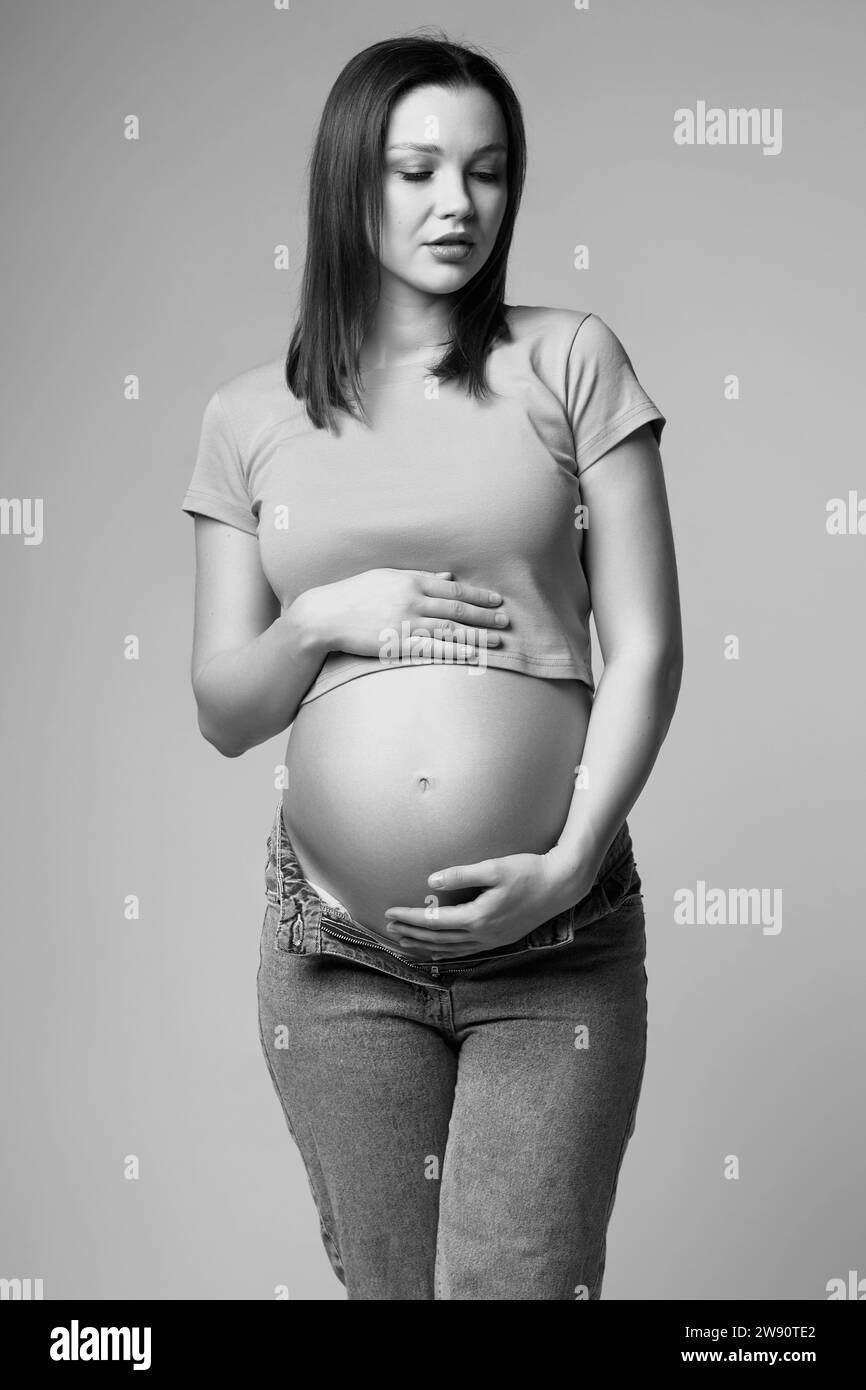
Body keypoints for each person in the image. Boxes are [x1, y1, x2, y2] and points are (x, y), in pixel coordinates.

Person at [182, 31, 683, 1300]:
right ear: (349, 183)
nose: (456, 204)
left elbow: (648, 645)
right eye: (415, 170)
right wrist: (319, 618)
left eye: (487, 171)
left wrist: (567, 861)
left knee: (515, 1290)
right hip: (337, 954)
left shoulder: (569, 360)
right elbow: (224, 710)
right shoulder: (248, 419)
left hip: (553, 936)